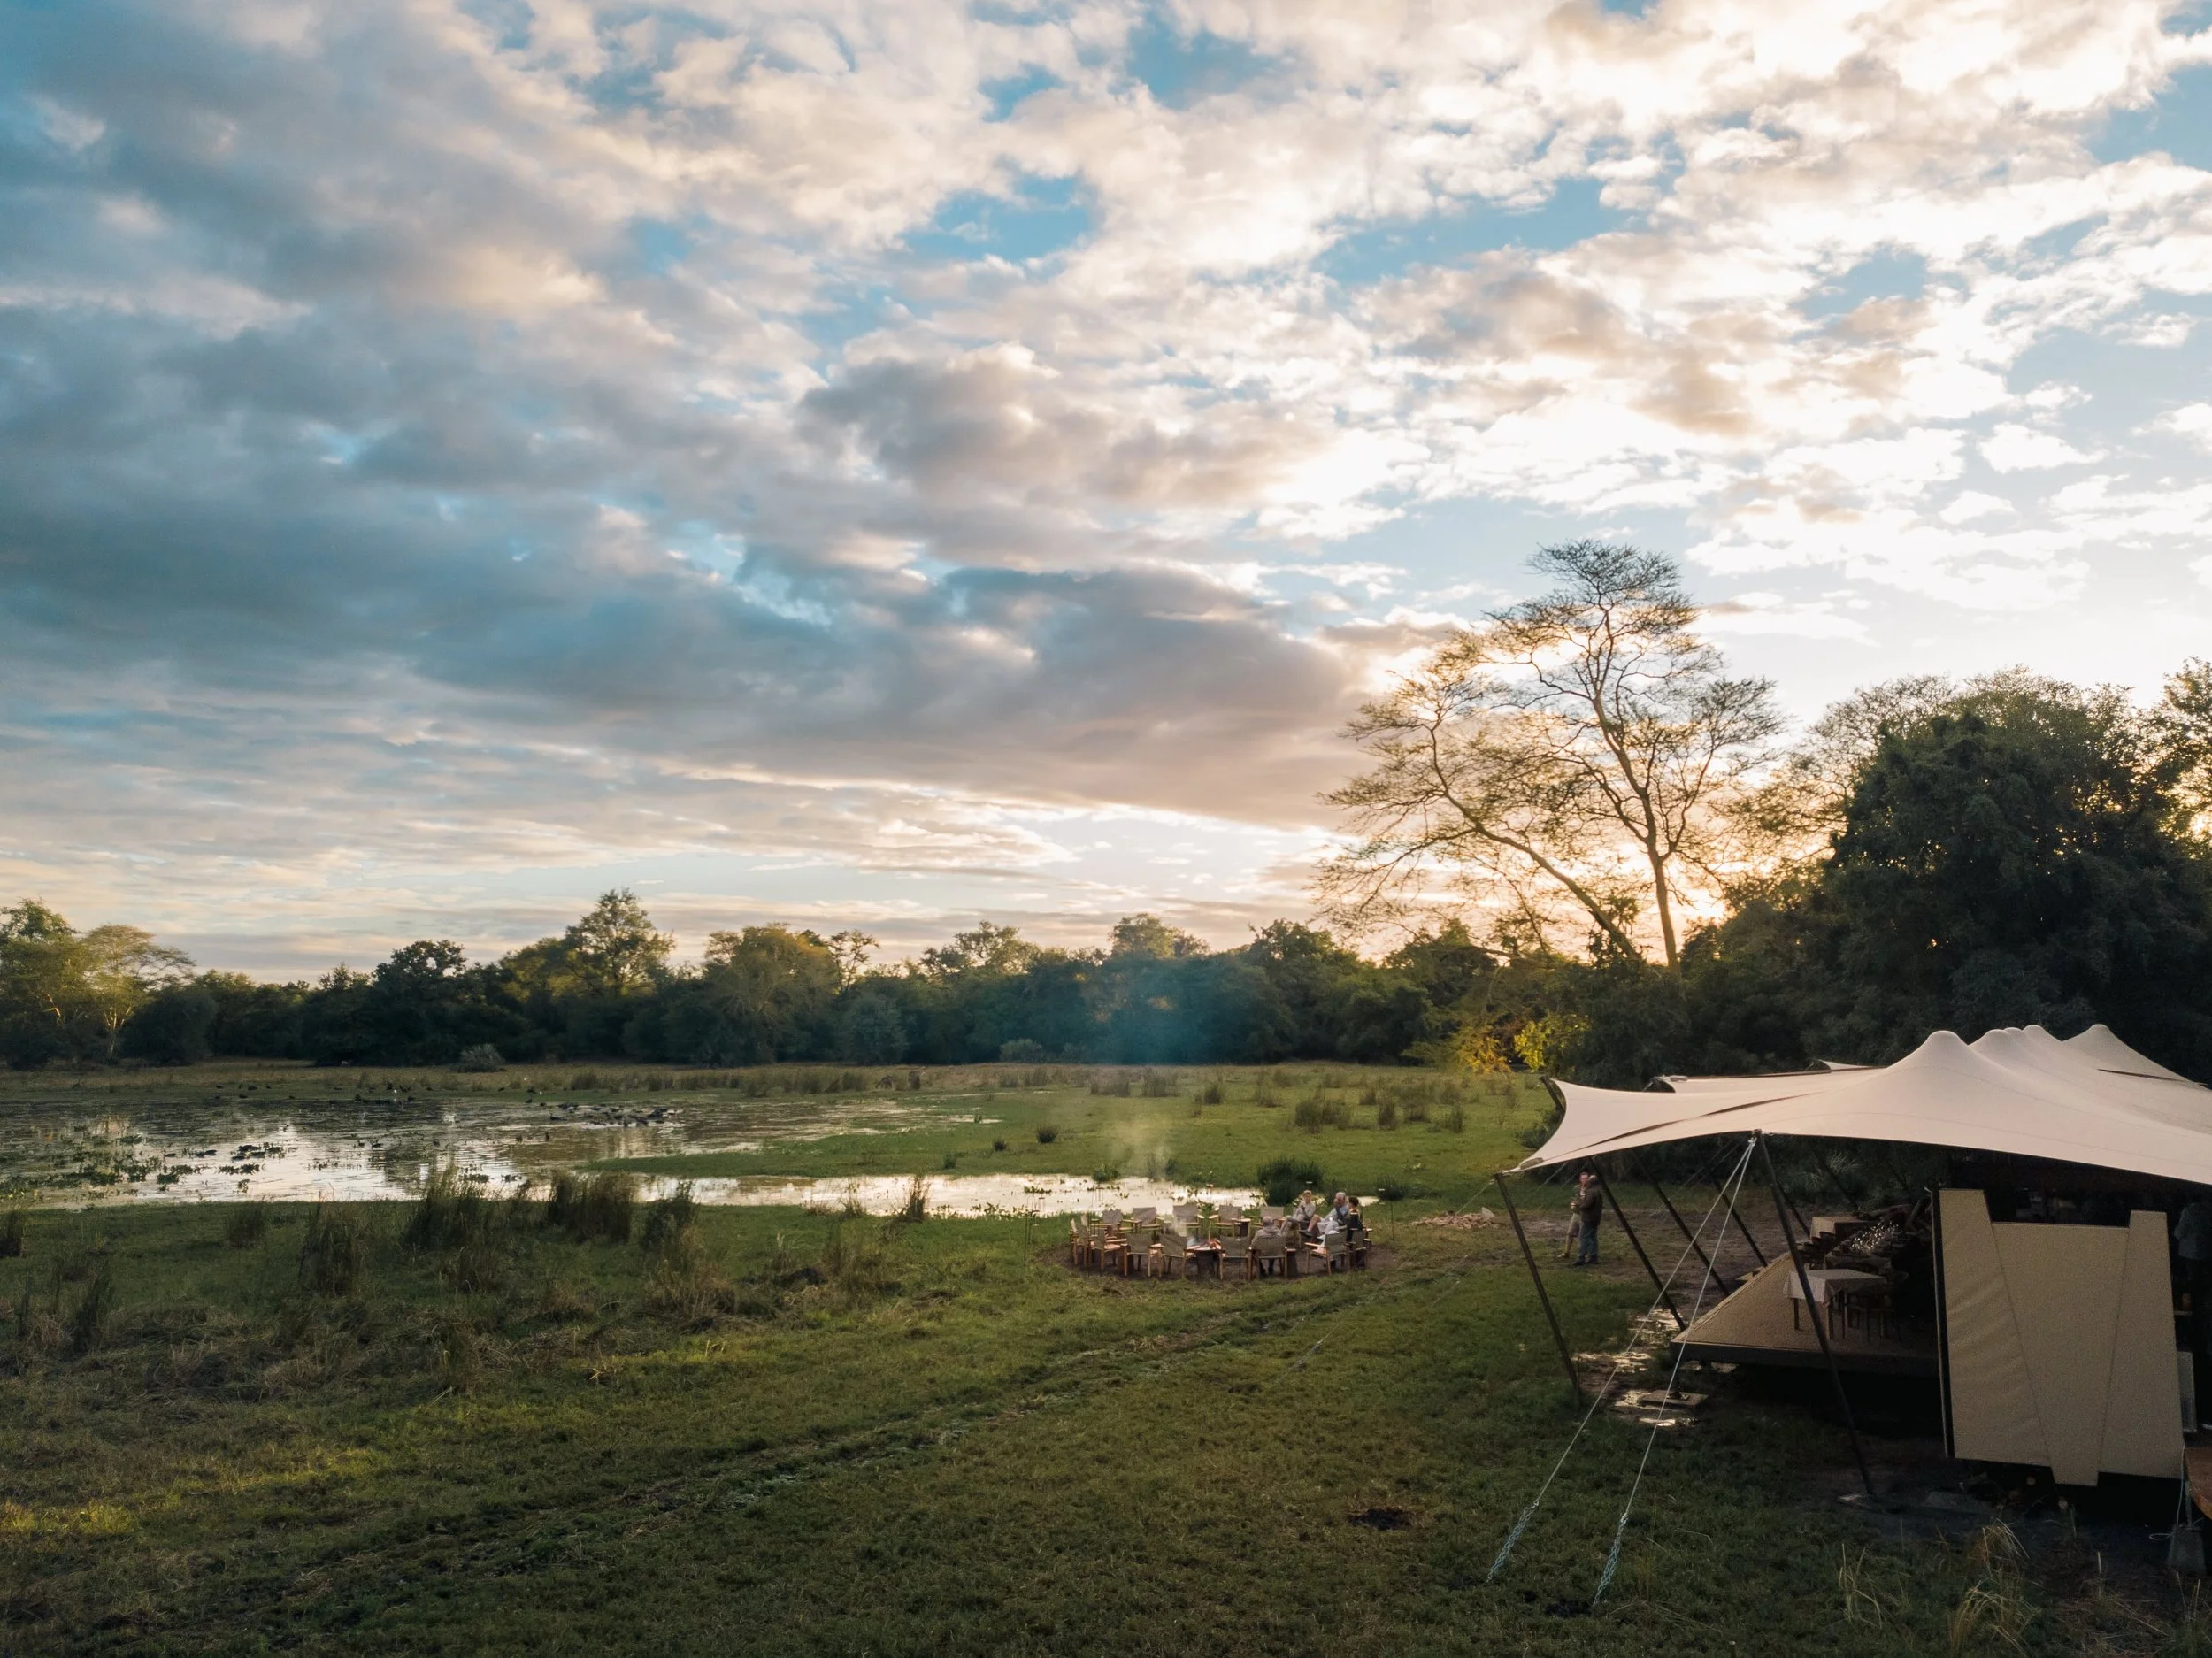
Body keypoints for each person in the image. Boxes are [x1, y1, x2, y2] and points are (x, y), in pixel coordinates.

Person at [1570, 1170, 1602, 1266]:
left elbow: (1587, 1204)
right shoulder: (1598, 1191)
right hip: (1596, 1218)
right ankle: (1593, 1257)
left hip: (1588, 1218)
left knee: (1583, 1237)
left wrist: (1577, 1206)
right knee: (1593, 1237)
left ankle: (1581, 1258)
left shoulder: (1591, 1192)